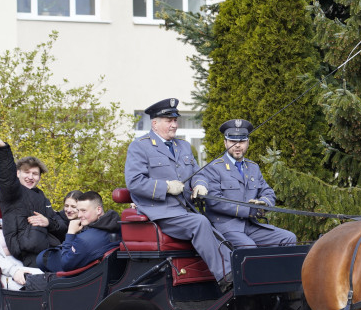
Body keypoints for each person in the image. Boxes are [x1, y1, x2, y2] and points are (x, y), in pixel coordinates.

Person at [124, 97, 234, 291]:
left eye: (175, 120)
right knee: (199, 223)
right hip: (160, 211)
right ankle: (227, 276)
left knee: (220, 222)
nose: (174, 125)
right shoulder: (140, 146)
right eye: (169, 121)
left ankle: (237, 269)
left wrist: (200, 185)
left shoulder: (182, 146)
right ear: (155, 123)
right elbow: (134, 182)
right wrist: (165, 187)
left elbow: (197, 173)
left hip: (185, 209)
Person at [194, 119, 296, 248]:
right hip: (226, 227)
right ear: (225, 143)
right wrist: (249, 210)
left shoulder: (253, 167)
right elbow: (215, 202)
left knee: (288, 238)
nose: (237, 145)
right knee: (249, 248)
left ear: (248, 142)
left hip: (251, 226)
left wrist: (263, 203)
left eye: (242, 141)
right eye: (232, 141)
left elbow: (268, 192)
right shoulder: (214, 168)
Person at [0, 133, 68, 267]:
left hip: (46, 250)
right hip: (27, 252)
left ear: (39, 177)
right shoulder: (12, 192)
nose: (31, 177)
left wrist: (47, 222)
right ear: (17, 173)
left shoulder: (42, 198)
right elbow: (6, 178)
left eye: (35, 174)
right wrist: (3, 149)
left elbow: (59, 225)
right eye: (26, 172)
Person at [36, 191, 121, 272]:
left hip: (81, 275)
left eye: (84, 211)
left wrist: (70, 233)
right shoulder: (118, 227)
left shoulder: (84, 239)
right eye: (79, 210)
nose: (79, 215)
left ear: (98, 210)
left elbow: (65, 264)